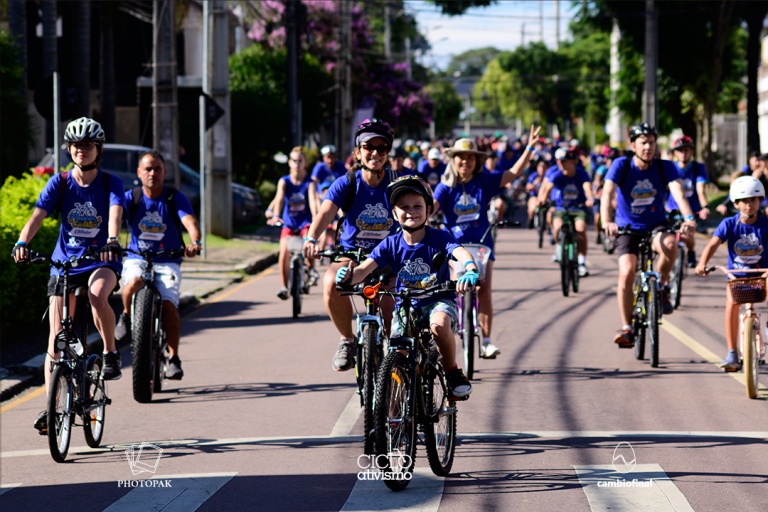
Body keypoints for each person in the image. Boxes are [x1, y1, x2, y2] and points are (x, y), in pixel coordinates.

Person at [12, 117, 126, 434]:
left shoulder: (110, 183)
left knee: (96, 295)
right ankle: (52, 406)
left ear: (97, 149)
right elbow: (38, 215)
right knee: (56, 341)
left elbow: (115, 212)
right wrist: (22, 242)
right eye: (76, 145)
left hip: (101, 259)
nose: (81, 151)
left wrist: (112, 241)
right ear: (69, 149)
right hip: (65, 264)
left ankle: (110, 352)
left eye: (87, 145)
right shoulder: (60, 183)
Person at [336, 175, 478, 398]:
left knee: (440, 326)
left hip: (437, 300)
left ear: (428, 210)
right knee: (396, 359)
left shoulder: (439, 237)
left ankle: (451, 370)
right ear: (394, 213)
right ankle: (395, 420)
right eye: (403, 207)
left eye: (417, 206)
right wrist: (347, 276)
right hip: (405, 306)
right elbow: (363, 270)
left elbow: (460, 252)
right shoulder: (390, 243)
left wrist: (470, 268)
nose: (411, 211)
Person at [434, 126, 541, 358]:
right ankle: (450, 331)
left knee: (485, 292)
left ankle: (486, 341)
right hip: (455, 247)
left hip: (482, 246)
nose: (466, 161)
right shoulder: (445, 186)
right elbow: (431, 206)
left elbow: (513, 172)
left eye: (470, 157)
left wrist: (530, 148)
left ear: (476, 160)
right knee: (455, 290)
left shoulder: (484, 181)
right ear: (453, 159)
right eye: (461, 157)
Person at [302, 119, 399, 371]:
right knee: (331, 283)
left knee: (393, 325)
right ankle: (347, 340)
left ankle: (396, 371)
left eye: (381, 147)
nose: (375, 153)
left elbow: (415, 212)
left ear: (388, 152)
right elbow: (324, 214)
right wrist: (311, 238)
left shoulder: (397, 183)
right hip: (351, 253)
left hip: (388, 256)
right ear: (358, 151)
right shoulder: (347, 182)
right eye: (368, 147)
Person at [601, 123, 697, 347]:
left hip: (656, 225)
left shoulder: (665, 167)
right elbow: (606, 194)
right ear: (633, 145)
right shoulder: (621, 165)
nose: (648, 147)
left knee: (671, 244)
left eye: (651, 142)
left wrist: (689, 217)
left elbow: (679, 194)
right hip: (627, 228)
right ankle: (627, 328)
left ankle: (662, 287)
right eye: (643, 142)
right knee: (626, 273)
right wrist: (606, 221)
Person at [115, 150, 202, 380]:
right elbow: (113, 217)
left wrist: (195, 242)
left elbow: (190, 221)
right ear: (139, 173)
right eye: (148, 169)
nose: (152, 173)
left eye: (157, 169)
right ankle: (125, 315)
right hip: (137, 257)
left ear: (164, 172)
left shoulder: (174, 198)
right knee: (132, 282)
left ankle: (174, 358)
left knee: (169, 305)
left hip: (168, 260)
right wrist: (109, 241)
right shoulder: (130, 197)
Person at [695, 176, 768, 371]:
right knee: (731, 303)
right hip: (737, 276)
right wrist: (702, 263)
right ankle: (732, 353)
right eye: (744, 201)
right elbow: (713, 244)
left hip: (763, 274)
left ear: (760, 200)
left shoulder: (765, 224)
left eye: (753, 200)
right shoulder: (729, 224)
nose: (749, 205)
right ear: (736, 203)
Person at [268, 147, 319, 298]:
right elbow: (279, 199)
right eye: (294, 160)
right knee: (284, 252)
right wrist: (276, 215)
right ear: (290, 163)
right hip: (288, 224)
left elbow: (313, 201)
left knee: (308, 244)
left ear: (305, 164)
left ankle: (310, 270)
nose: (297, 164)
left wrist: (316, 218)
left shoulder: (309, 183)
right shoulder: (284, 181)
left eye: (300, 161)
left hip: (305, 223)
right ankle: (284, 287)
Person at [538, 149, 595, 277]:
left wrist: (590, 198)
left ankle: (581, 263)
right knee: (557, 227)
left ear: (573, 161)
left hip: (579, 208)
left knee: (580, 230)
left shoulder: (581, 173)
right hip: (561, 208)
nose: (561, 164)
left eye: (564, 161)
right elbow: (548, 188)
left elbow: (587, 187)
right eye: (559, 161)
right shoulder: (556, 174)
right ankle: (559, 246)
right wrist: (542, 200)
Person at [666, 135, 710, 267]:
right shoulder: (670, 167)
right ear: (675, 153)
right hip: (671, 210)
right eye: (680, 150)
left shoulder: (698, 168)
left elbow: (701, 190)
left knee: (686, 236)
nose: (683, 153)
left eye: (686, 150)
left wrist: (705, 207)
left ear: (692, 151)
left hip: (691, 210)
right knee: (668, 240)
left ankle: (691, 252)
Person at [592, 148, 619, 243]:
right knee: (597, 217)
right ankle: (598, 234)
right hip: (601, 194)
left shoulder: (620, 170)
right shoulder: (602, 169)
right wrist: (595, 192)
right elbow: (596, 182)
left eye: (613, 159)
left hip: (614, 196)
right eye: (609, 159)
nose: (611, 162)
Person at [526, 160, 547, 228]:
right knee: (532, 208)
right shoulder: (534, 175)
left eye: (544, 167)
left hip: (546, 197)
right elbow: (528, 187)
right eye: (540, 167)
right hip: (535, 196)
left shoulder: (548, 176)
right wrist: (535, 183)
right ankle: (531, 219)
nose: (542, 169)